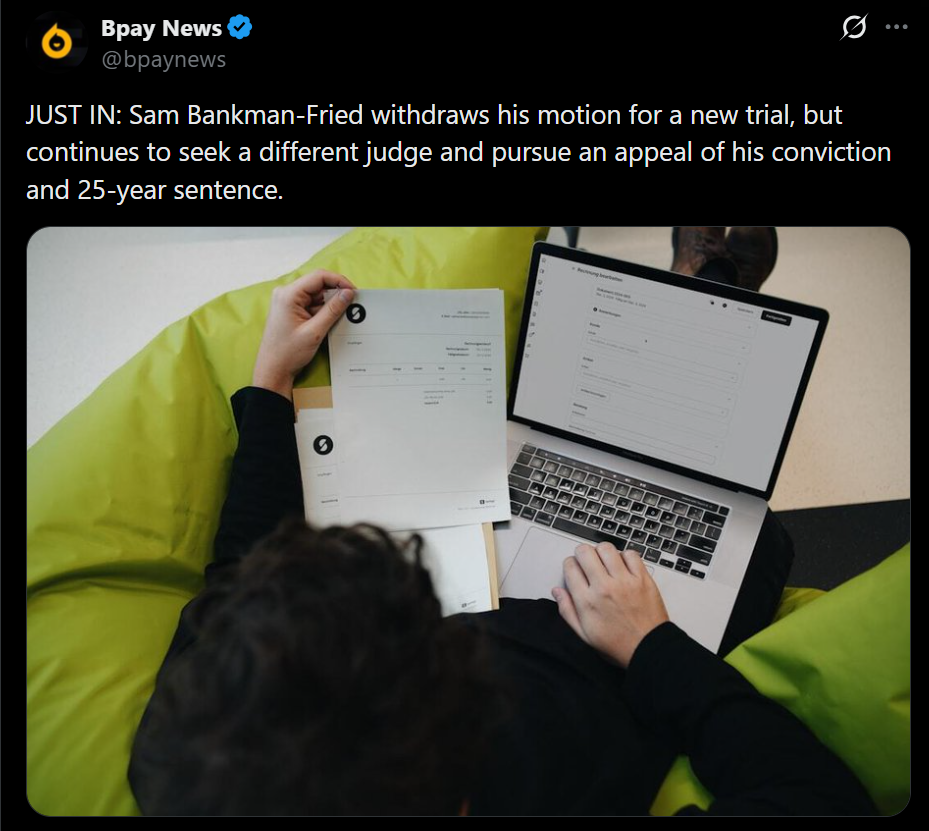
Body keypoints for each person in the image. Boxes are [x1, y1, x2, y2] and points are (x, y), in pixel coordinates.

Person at [128, 258, 876, 816]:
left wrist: (270, 384)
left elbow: (239, 584)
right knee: (759, 540)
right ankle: (711, 298)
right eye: (436, 637)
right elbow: (818, 798)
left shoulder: (194, 752)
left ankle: (687, 302)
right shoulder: (539, 772)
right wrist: (653, 647)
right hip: (620, 640)